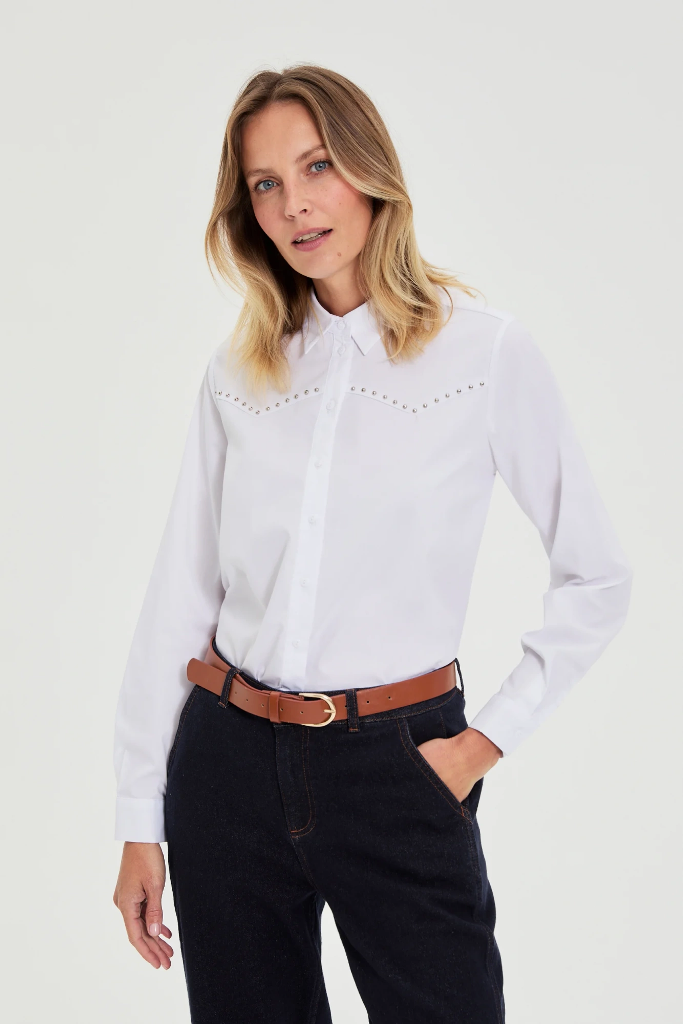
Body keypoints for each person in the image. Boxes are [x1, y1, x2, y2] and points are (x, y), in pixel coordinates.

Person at [112, 65, 632, 1023]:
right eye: (265, 183)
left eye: (317, 166)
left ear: (369, 169)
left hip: (400, 766)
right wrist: (139, 816)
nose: (295, 204)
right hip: (226, 770)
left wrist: (479, 746)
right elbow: (181, 595)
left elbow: (596, 576)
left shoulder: (482, 353)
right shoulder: (239, 369)